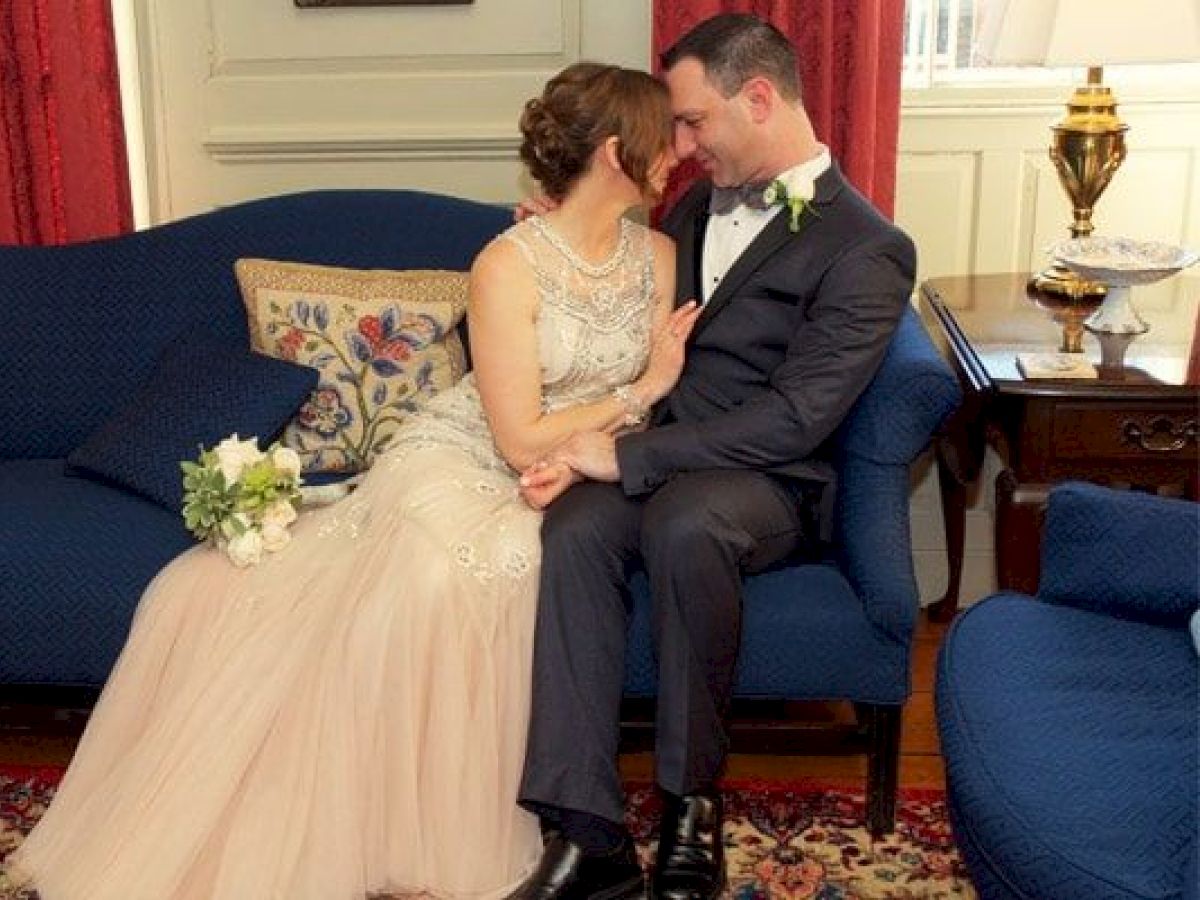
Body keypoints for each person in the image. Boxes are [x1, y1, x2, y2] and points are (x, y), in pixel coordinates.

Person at [4, 61, 701, 900]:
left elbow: (638, 424)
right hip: (471, 456)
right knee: (444, 571)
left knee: (526, 565)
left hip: (584, 467)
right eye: (669, 137)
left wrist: (612, 436)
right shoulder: (508, 265)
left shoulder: (660, 257)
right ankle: (376, 810)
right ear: (621, 151)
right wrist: (641, 390)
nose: (682, 152)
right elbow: (519, 437)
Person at [507, 14, 917, 900]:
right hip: (661, 449)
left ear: (759, 97)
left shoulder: (869, 249)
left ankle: (693, 804)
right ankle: (586, 832)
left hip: (768, 480)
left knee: (689, 522)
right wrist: (561, 226)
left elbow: (798, 418)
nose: (682, 146)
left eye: (694, 122)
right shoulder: (696, 205)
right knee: (573, 527)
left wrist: (633, 458)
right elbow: (620, 264)